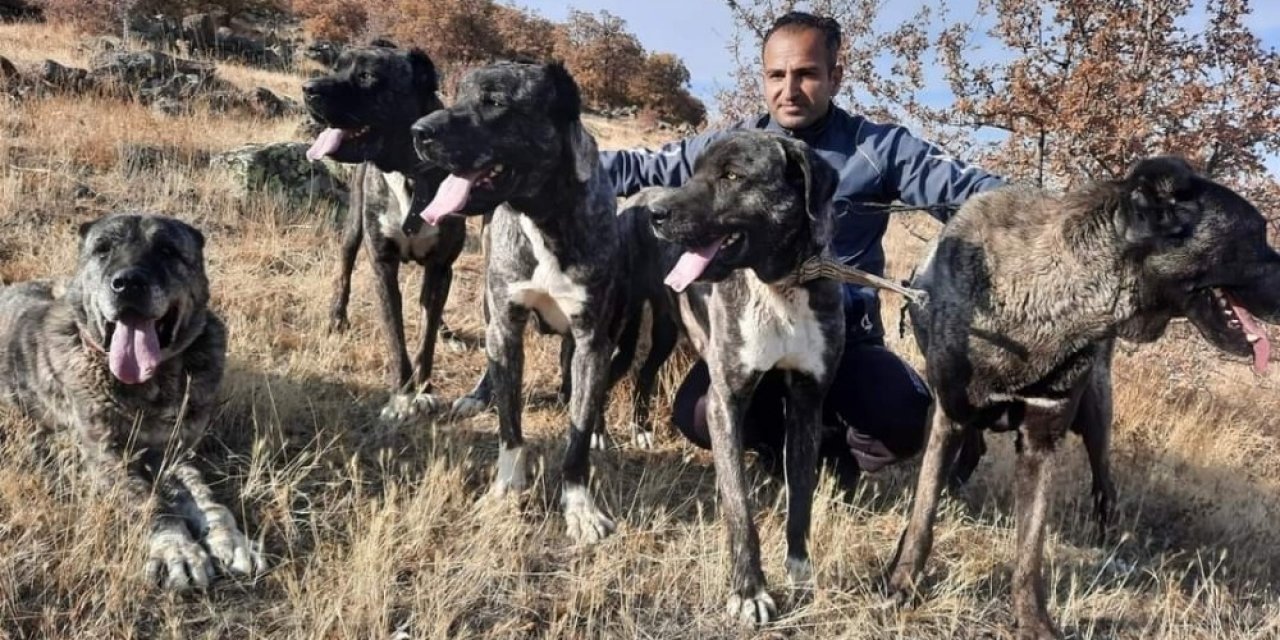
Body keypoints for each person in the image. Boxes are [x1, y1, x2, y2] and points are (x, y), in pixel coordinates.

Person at [599, 11, 1006, 487]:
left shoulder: (880, 147)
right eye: (777, 75)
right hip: (757, 333)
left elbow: (974, 192)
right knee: (697, 414)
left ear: (835, 76)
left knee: (905, 420)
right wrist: (558, 164)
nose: (789, 89)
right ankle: (782, 449)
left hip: (846, 339)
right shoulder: (731, 147)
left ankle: (836, 445)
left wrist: (1044, 212)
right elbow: (640, 165)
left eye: (807, 74)